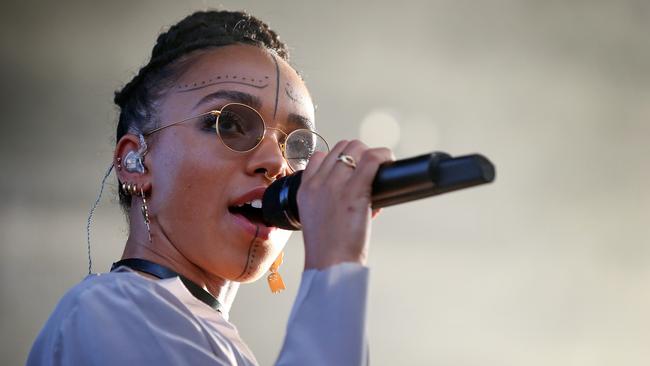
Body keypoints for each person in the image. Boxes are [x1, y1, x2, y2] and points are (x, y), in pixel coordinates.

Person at [27, 10, 393, 365]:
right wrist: (335, 264)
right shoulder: (110, 308)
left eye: (298, 147)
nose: (277, 163)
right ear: (134, 161)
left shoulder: (203, 333)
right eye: (230, 123)